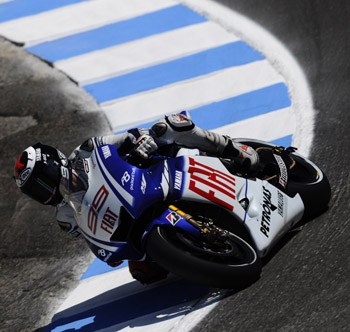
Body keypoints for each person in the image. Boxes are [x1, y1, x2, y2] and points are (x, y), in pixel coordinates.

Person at [14, 112, 259, 283]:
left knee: (167, 127)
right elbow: (93, 234)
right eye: (36, 191)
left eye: (42, 179)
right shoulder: (64, 218)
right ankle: (196, 246)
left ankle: (235, 151)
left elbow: (127, 137)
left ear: (54, 162)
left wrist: (142, 142)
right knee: (143, 273)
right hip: (129, 212)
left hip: (146, 172)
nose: (44, 191)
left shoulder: (84, 149)